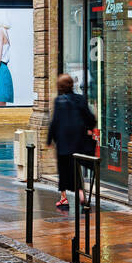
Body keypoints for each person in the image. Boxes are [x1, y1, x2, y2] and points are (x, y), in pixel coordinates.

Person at [47, 73, 96, 210]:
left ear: (60, 87)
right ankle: (81, 193)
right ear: (72, 85)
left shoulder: (59, 101)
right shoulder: (80, 99)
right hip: (78, 141)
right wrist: (89, 129)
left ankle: (63, 198)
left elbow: (54, 122)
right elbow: (90, 117)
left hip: (63, 142)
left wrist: (49, 139)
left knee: (63, 170)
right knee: (77, 168)